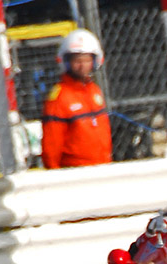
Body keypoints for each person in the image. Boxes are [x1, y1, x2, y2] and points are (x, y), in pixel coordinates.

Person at [41, 28, 112, 169]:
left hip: (103, 167)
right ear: (66, 62)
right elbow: (51, 147)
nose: (82, 66)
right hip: (75, 172)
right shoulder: (59, 97)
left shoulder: (94, 91)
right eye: (77, 61)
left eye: (86, 60)